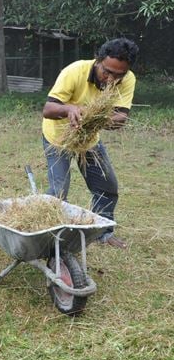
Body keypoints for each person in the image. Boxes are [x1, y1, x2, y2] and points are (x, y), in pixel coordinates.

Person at [42, 37, 139, 249]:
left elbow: (121, 117)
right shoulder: (74, 71)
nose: (111, 79)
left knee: (107, 186)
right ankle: (47, 235)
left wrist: (95, 119)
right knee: (59, 191)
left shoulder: (128, 79)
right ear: (98, 60)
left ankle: (102, 233)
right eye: (107, 71)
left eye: (118, 75)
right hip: (59, 139)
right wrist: (69, 109)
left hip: (89, 140)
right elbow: (48, 110)